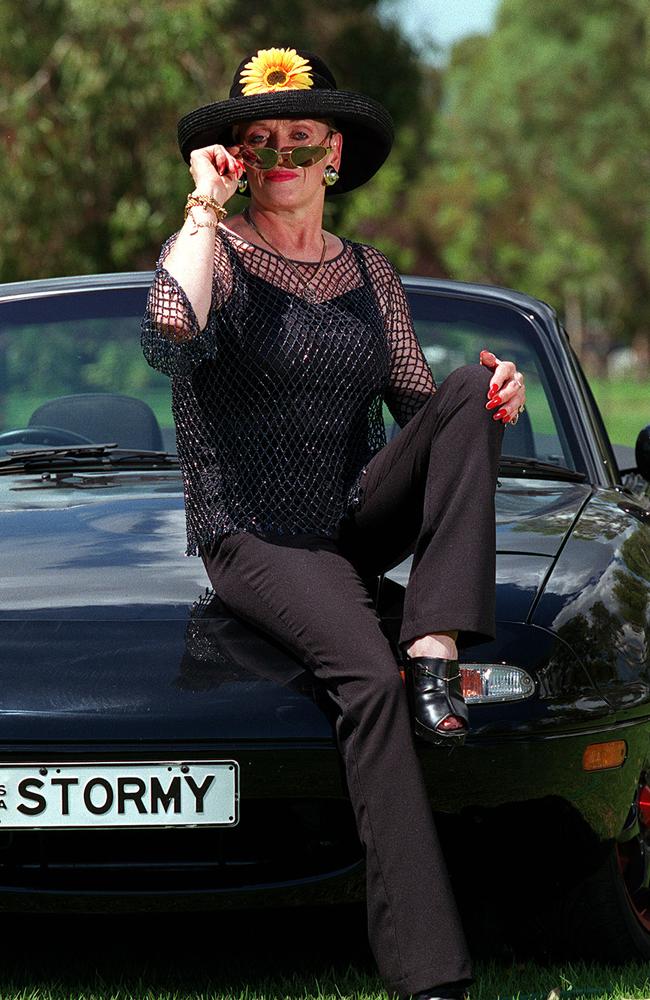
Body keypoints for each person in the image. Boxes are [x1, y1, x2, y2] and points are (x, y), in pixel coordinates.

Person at [141, 46, 527, 1000]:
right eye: (256, 143)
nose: (277, 156)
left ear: (333, 158)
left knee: (475, 384)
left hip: (351, 515)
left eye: (297, 141)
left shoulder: (369, 272)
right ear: (233, 157)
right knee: (365, 673)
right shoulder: (216, 254)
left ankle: (435, 638)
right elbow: (166, 331)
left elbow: (416, 413)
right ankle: (431, 976)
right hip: (256, 534)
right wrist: (202, 205)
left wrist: (491, 398)